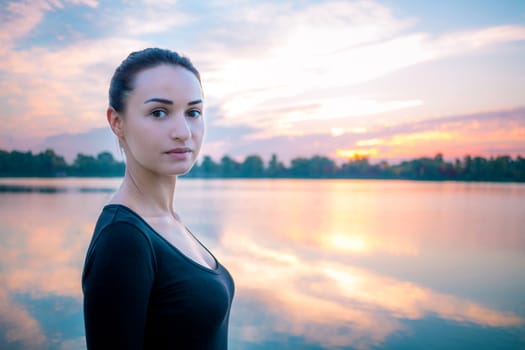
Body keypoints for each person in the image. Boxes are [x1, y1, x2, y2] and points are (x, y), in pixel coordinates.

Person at [82, 48, 234, 349]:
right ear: (117, 122)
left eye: (193, 113)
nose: (182, 132)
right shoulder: (124, 239)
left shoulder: (167, 221)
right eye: (159, 113)